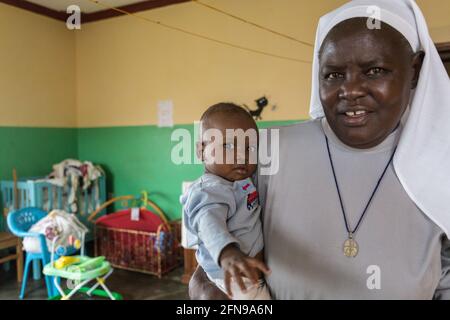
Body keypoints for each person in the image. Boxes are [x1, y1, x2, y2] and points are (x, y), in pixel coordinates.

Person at [189, 0, 450, 299]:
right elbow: (216, 225)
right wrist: (208, 285)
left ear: (414, 70)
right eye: (333, 74)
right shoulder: (267, 149)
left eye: (375, 70)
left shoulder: (441, 163)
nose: (350, 90)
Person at [181, 103, 271, 299]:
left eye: (250, 148)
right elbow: (208, 223)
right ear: (201, 150)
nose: (241, 156)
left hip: (249, 279)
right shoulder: (209, 189)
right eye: (228, 145)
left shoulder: (240, 181)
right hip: (231, 281)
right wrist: (227, 252)